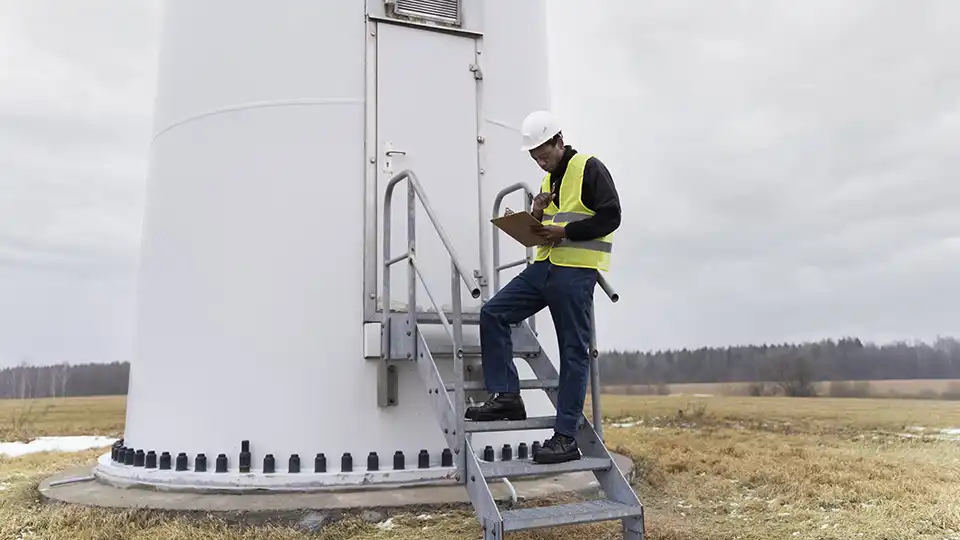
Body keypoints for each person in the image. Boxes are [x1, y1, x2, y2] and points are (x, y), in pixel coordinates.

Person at [464, 110, 621, 464]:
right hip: (544, 268)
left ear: (559, 142)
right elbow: (546, 227)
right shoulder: (550, 182)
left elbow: (612, 215)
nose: (539, 160)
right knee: (493, 312)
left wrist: (564, 232)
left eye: (543, 153)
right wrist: (534, 214)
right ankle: (507, 396)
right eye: (534, 156)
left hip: (575, 273)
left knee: (573, 352)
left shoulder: (589, 167)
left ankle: (565, 438)